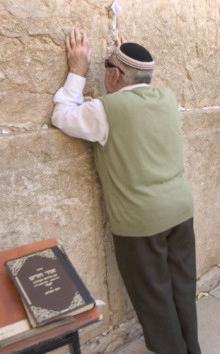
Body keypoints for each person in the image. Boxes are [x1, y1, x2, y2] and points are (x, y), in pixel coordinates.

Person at [51, 28, 200, 354]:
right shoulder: (167, 98)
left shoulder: (104, 110)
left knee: (154, 300)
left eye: (107, 68)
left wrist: (77, 72)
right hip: (180, 210)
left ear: (116, 74)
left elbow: (62, 115)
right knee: (182, 288)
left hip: (140, 222)